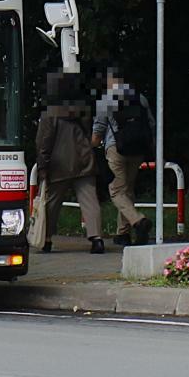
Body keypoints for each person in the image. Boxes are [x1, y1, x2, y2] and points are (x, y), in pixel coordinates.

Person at [32, 72, 107, 254]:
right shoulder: (82, 111)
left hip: (60, 164)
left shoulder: (51, 113)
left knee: (51, 203)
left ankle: (46, 238)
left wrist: (43, 166)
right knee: (90, 200)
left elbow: (44, 142)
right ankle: (97, 239)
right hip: (84, 159)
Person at [91, 66, 155, 246]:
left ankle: (139, 221)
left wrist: (91, 147)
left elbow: (98, 131)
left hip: (116, 149)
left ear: (111, 81)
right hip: (137, 150)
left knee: (117, 191)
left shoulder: (106, 100)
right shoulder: (139, 98)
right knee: (127, 189)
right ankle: (123, 233)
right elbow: (151, 124)